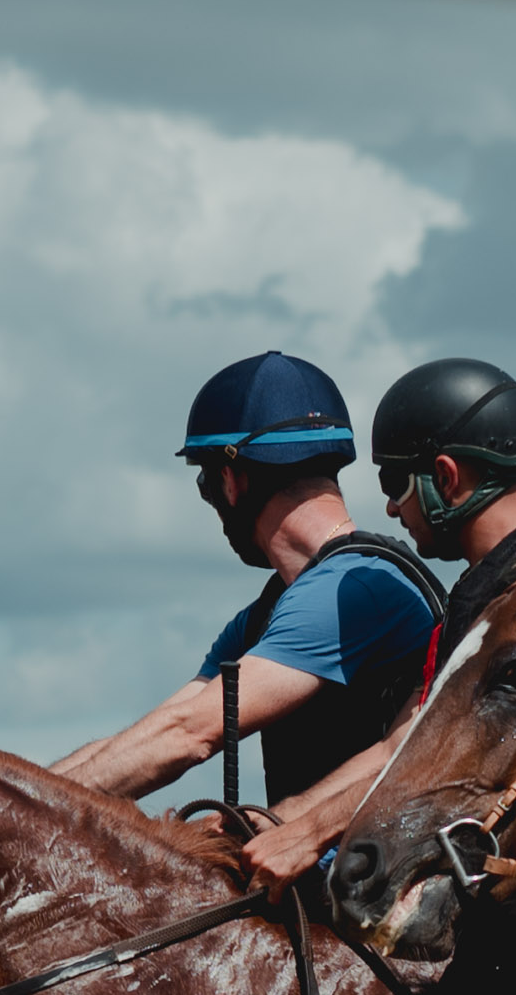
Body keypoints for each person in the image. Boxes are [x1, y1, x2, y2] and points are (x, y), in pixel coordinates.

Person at [230, 355, 516, 887]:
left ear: (446, 476)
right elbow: (403, 747)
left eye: (396, 482)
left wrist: (311, 834)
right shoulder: (483, 589)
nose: (392, 510)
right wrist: (286, 818)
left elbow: (474, 755)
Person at [52, 351, 443, 824]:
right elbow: (153, 732)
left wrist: (9, 816)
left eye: (205, 483)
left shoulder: (353, 590)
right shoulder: (273, 611)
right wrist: (3, 791)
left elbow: (188, 734)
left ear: (231, 481)